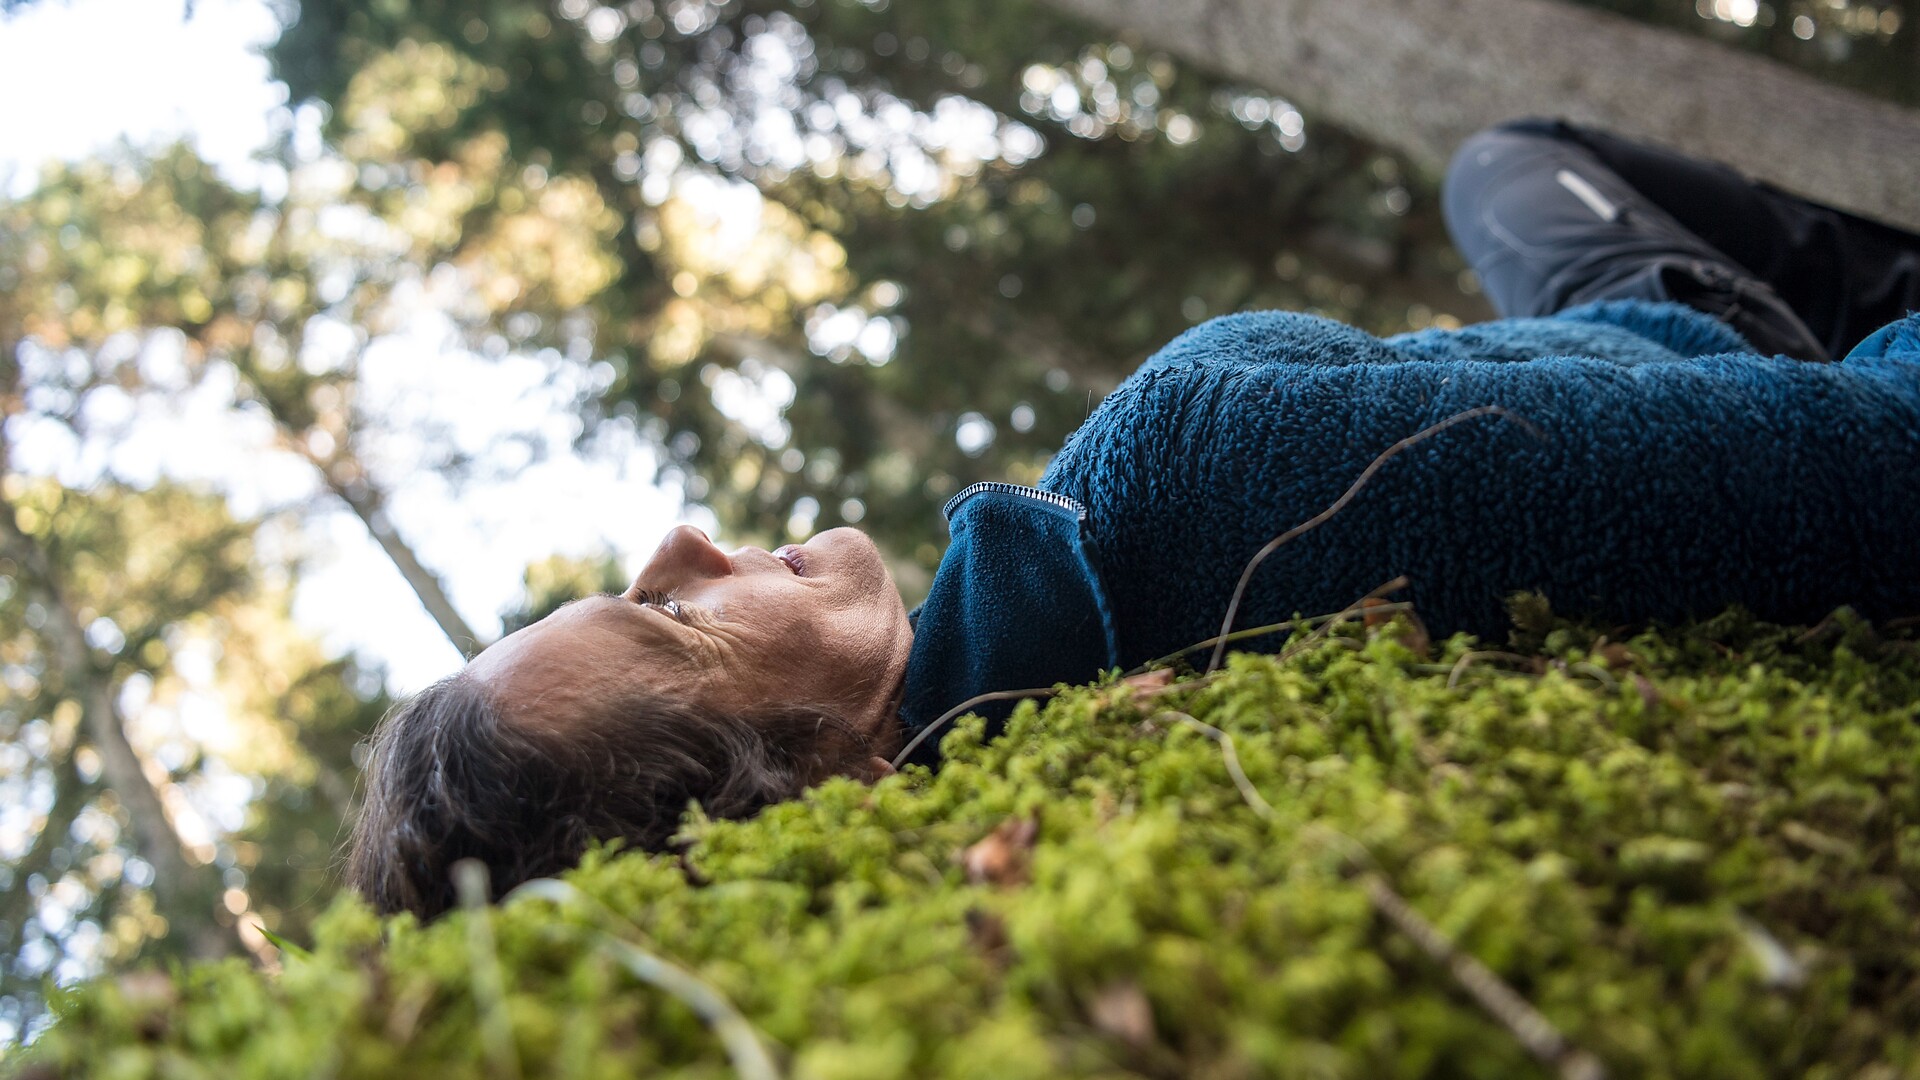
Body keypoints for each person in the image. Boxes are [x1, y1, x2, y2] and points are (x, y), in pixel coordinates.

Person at [348, 120, 1920, 919]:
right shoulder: (1214, 472)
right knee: (1507, 162)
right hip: (1713, 331)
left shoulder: (1113, 618)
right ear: (820, 779)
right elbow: (1888, 461)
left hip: (1634, 370)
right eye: (670, 620)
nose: (687, 544)